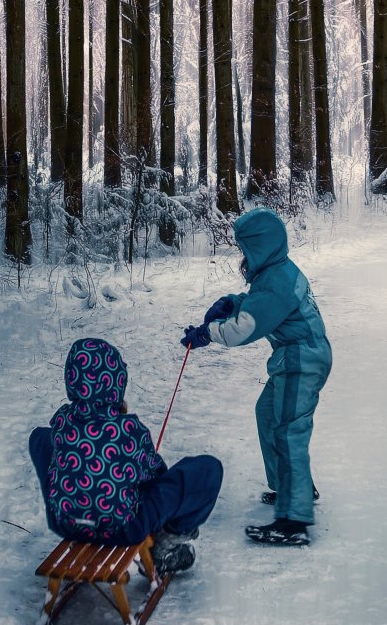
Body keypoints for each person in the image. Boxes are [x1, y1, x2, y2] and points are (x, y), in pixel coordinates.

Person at [181, 207, 332, 547]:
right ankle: (293, 488)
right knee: (268, 413)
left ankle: (293, 520)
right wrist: (232, 302)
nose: (242, 256)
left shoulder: (277, 281)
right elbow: (256, 302)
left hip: (301, 360)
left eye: (245, 249)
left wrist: (209, 332)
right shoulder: (274, 271)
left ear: (260, 248)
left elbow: (244, 328)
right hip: (294, 357)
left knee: (289, 428)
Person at [29, 337, 223, 574]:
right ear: (117, 381)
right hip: (123, 528)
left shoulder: (61, 423)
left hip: (65, 522)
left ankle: (72, 501)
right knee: (208, 469)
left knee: (40, 438)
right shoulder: (128, 429)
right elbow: (156, 475)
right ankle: (165, 544)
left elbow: (46, 441)